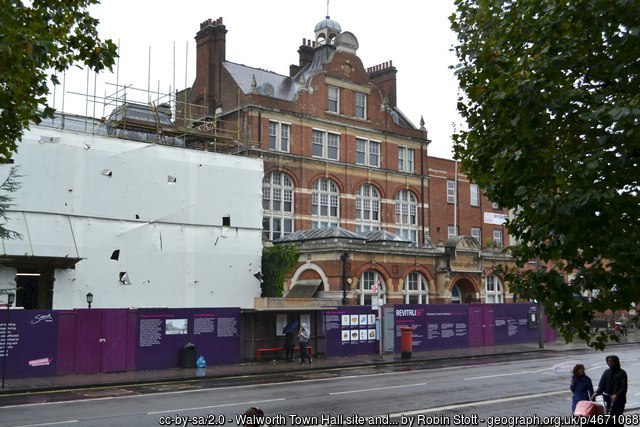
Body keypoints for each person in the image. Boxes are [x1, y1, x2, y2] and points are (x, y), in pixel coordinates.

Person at [592, 355, 627, 426]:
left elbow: (623, 387)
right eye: (608, 361)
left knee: (617, 419)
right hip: (608, 399)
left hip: (619, 401)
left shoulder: (622, 373)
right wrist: (597, 392)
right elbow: (601, 385)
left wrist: (617, 395)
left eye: (611, 361)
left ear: (615, 362)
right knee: (609, 418)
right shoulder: (606, 372)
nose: (610, 362)